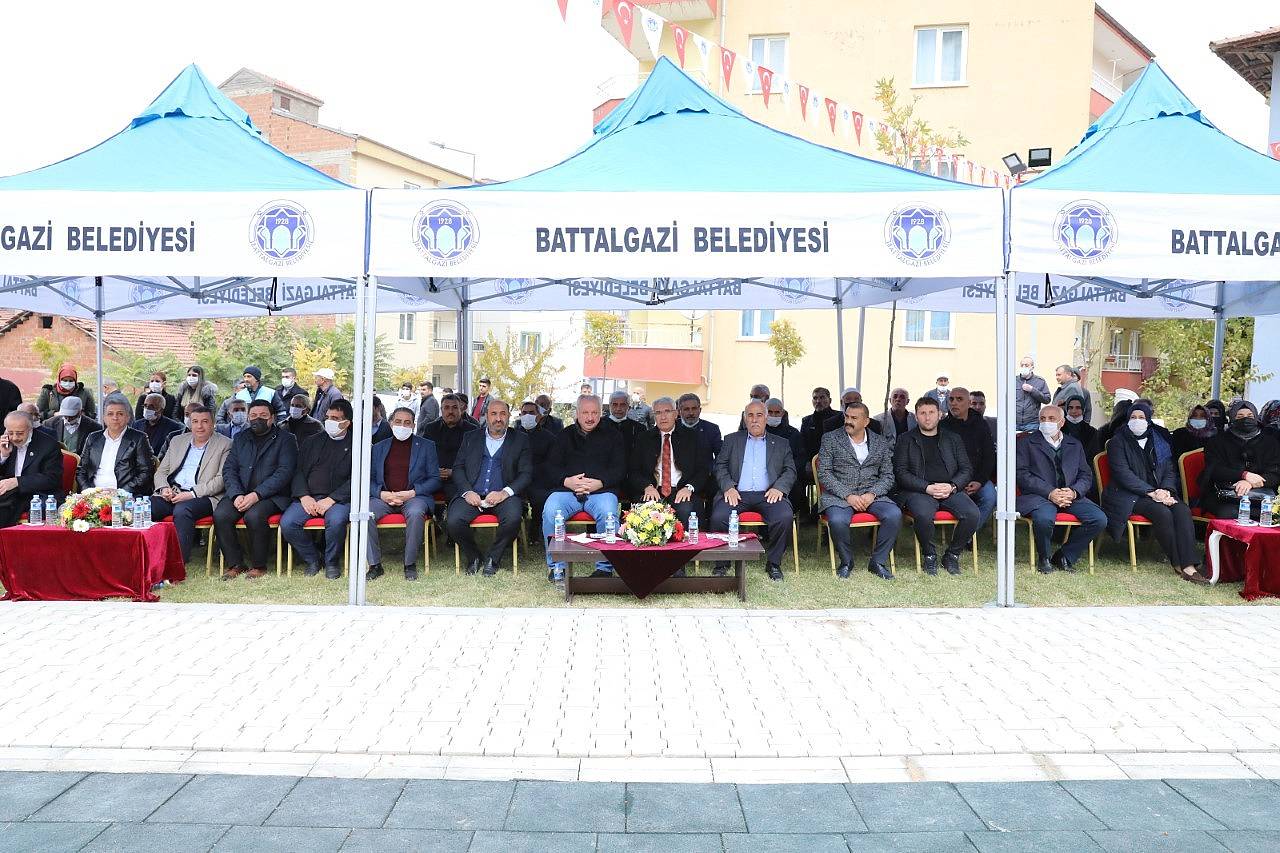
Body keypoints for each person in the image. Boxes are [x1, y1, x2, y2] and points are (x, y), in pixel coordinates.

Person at [1101, 401, 1205, 583]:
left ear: (1148, 420)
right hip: (1130, 494)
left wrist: (1165, 490)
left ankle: (1189, 564)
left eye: (1141, 417)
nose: (1137, 420)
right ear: (1127, 420)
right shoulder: (1117, 442)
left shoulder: (1159, 441)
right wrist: (1151, 492)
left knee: (1182, 510)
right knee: (1162, 513)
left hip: (1160, 492)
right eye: (1133, 417)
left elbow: (1170, 471)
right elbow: (1123, 474)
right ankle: (1178, 563)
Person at [711, 399, 797, 581]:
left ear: (766, 418)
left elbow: (790, 470)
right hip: (737, 493)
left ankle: (773, 564)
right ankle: (722, 564)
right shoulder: (731, 440)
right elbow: (720, 466)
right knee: (719, 516)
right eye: (750, 415)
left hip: (768, 494)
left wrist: (779, 488)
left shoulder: (781, 443)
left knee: (784, 517)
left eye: (759, 415)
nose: (755, 419)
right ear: (745, 419)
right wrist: (728, 487)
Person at [543, 394, 626, 582]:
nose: (590, 418)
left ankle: (604, 568)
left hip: (601, 491)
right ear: (577, 413)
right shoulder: (564, 435)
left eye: (594, 413)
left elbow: (620, 468)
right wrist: (567, 481)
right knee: (550, 511)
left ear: (601, 413)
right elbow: (550, 467)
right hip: (568, 491)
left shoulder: (613, 435)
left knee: (608, 514)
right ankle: (557, 567)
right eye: (585, 413)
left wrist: (601, 482)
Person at [1016, 405, 1107, 573]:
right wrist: (1050, 492)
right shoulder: (1026, 443)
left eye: (1051, 419)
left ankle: (1065, 556)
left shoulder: (1075, 444)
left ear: (1062, 422)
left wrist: (1073, 492)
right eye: (1043, 419)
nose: (1046, 422)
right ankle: (1044, 558)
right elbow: (1021, 474)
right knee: (1044, 519)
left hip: (1069, 496)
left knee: (1099, 519)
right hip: (1039, 496)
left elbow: (1086, 475)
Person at [893, 396, 979, 576]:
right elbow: (900, 473)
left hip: (949, 489)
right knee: (923, 515)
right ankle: (929, 555)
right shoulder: (905, 439)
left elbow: (966, 469)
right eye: (922, 413)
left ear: (940, 414)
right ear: (915, 416)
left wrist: (953, 486)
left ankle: (952, 555)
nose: (927, 417)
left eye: (931, 412)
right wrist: (927, 487)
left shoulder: (953, 438)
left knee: (972, 514)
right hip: (919, 490)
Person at [215, 399, 299, 580]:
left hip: (272, 496)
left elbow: (284, 473)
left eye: (263, 415)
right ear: (248, 417)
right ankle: (236, 564)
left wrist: (257, 495)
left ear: (272, 418)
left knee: (254, 515)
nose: (257, 419)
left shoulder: (286, 439)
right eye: (253, 415)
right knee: (221, 514)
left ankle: (259, 565)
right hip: (241, 492)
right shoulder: (241, 438)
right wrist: (236, 494)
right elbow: (229, 469)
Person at [448, 399, 532, 576]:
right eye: (494, 414)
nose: (498, 418)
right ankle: (474, 556)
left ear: (509, 416)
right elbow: (458, 467)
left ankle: (494, 558)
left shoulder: (521, 439)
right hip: (473, 494)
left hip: (504, 496)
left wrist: (505, 493)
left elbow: (526, 474)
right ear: (486, 416)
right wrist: (467, 491)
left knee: (513, 519)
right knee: (454, 521)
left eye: (502, 414)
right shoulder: (471, 437)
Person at [817, 401, 900, 580]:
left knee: (894, 515)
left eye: (854, 418)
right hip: (839, 495)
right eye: (846, 416)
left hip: (871, 494)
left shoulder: (880, 442)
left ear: (866, 421)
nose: (848, 421)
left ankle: (878, 562)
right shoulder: (830, 438)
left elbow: (888, 475)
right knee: (837, 520)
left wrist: (872, 494)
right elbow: (824, 473)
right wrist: (848, 495)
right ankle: (846, 562)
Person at [281, 399, 354, 580]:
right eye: (327, 417)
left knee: (336, 521)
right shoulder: (311, 441)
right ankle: (313, 558)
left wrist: (332, 499)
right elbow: (298, 471)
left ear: (347, 423)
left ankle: (332, 562)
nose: (329, 421)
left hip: (338, 500)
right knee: (288, 523)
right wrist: (304, 496)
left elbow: (357, 479)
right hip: (309, 497)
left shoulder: (358, 445)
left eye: (335, 418)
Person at [366, 406, 441, 582]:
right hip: (384, 497)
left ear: (413, 425)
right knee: (366, 513)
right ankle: (375, 565)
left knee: (415, 513)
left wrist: (412, 493)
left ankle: (410, 564)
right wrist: (381, 494)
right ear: (391, 423)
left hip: (414, 497)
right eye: (398, 422)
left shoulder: (427, 446)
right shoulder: (378, 447)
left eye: (407, 423)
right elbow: (368, 479)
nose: (402, 426)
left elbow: (435, 479)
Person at [149, 406, 232, 563]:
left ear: (213, 423)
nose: (199, 426)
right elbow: (161, 472)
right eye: (195, 421)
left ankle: (178, 562)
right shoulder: (177, 441)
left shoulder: (225, 444)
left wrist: (191, 494)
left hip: (203, 496)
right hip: (172, 492)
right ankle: (148, 556)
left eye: (205, 421)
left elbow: (221, 479)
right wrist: (164, 488)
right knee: (148, 506)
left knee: (183, 510)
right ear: (189, 423)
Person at [627, 396, 707, 531]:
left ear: (676, 414)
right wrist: (646, 486)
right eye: (658, 413)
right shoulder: (644, 438)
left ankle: (685, 544)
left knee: (686, 509)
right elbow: (633, 471)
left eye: (667, 411)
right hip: (653, 489)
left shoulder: (692, 437)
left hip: (681, 489)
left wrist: (689, 487)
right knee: (647, 511)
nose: (663, 417)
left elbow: (703, 469)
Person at [1199, 401, 1280, 520]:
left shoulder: (1270, 443)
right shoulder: (1217, 442)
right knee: (1229, 513)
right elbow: (1214, 470)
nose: (1245, 419)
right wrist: (1243, 475)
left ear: (1256, 417)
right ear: (1232, 418)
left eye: (1250, 416)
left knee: (1269, 515)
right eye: (1240, 416)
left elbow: (1276, 472)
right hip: (1225, 496)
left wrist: (1250, 483)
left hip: (1262, 496)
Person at [939, 386, 996, 531]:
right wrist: (957, 483)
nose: (954, 403)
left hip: (978, 477)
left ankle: (967, 534)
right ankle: (964, 534)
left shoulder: (981, 425)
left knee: (990, 497)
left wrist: (980, 480)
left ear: (969, 403)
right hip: (952, 480)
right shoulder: (942, 427)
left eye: (959, 399)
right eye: (951, 399)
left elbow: (989, 456)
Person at [75, 395, 152, 495]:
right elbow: (81, 470)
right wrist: (88, 490)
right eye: (110, 414)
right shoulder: (93, 438)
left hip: (124, 495)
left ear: (128, 417)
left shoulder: (139, 438)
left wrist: (121, 492)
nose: (115, 418)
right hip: (94, 494)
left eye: (120, 414)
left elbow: (146, 472)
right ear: (104, 418)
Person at [0, 410, 64, 528]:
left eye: (20, 433)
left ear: (30, 429)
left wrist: (17, 482)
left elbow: (52, 479)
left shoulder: (49, 445)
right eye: (10, 433)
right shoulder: (5, 443)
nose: (14, 438)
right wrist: (3, 456)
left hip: (39, 493)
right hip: (10, 494)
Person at [515, 399, 560, 537]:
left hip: (539, 480)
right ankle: (515, 533)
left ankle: (535, 531)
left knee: (540, 499)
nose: (527, 416)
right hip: (516, 479)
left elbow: (552, 463)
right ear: (520, 415)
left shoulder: (549, 438)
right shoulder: (512, 436)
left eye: (531, 413)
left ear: (539, 416)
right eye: (524, 413)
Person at [419, 393, 479, 499]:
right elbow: (423, 455)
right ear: (441, 410)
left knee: (457, 497)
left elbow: (475, 460)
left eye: (454, 407)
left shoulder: (472, 430)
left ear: (461, 409)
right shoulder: (431, 428)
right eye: (446, 408)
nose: (450, 411)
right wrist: (434, 471)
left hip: (460, 479)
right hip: (433, 477)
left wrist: (453, 472)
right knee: (419, 494)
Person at [766, 398, 808, 512]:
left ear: (783, 413)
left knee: (796, 489)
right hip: (763, 477)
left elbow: (801, 458)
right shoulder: (759, 433)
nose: (773, 415)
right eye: (770, 412)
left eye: (777, 412)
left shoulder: (793, 434)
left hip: (788, 476)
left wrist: (786, 472)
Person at [677, 393, 722, 457]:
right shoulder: (672, 428)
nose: (691, 413)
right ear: (679, 412)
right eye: (686, 409)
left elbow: (721, 457)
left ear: (700, 410)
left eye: (694, 408)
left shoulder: (712, 429)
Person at [1014, 356, 1051, 431]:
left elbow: (1047, 399)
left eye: (1026, 365)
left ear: (1032, 367)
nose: (1024, 367)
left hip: (1032, 423)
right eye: (1022, 365)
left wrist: (1032, 390)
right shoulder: (1013, 380)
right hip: (1014, 422)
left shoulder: (1040, 381)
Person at [800, 387, 835, 467]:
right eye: (815, 398)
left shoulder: (839, 417)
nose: (818, 401)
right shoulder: (806, 421)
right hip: (813, 466)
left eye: (822, 397)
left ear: (830, 400)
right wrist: (807, 463)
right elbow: (802, 445)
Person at [605, 390, 646, 458]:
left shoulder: (639, 428)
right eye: (615, 404)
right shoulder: (599, 425)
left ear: (628, 407)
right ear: (609, 406)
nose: (618, 408)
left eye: (622, 405)